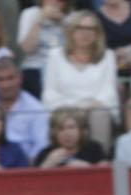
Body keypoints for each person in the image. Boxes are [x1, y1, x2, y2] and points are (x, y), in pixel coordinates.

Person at [40, 11, 119, 152]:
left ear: (97, 33)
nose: (85, 33)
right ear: (71, 31)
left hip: (95, 110)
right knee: (65, 120)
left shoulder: (108, 56)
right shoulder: (55, 56)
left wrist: (86, 107)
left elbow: (109, 93)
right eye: (80, 28)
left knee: (99, 113)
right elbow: (50, 93)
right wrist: (76, 109)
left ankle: (98, 160)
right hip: (64, 111)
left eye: (91, 29)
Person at [16, 0, 67, 97]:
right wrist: (40, 19)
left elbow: (73, 50)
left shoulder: (68, 17)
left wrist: (64, 24)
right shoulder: (29, 14)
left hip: (60, 68)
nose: (55, 3)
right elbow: (26, 48)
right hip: (34, 67)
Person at [34, 103, 104, 165]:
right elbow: (34, 178)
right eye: (61, 129)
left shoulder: (94, 149)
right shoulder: (45, 154)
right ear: (54, 132)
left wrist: (87, 168)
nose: (67, 133)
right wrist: (48, 164)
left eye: (71, 127)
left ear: (81, 129)